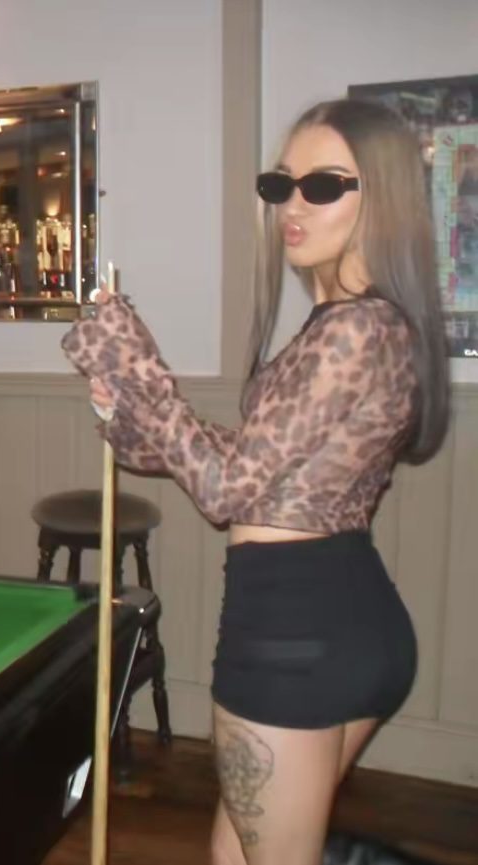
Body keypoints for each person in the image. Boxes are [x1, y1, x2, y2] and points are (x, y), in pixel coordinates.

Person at [61, 98, 451, 865]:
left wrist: (139, 363)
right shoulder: (352, 324)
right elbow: (249, 466)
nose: (291, 206)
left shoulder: (355, 329)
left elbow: (225, 488)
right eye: (279, 186)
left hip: (291, 632)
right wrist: (123, 408)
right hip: (333, 618)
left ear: (383, 196)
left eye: (322, 185)